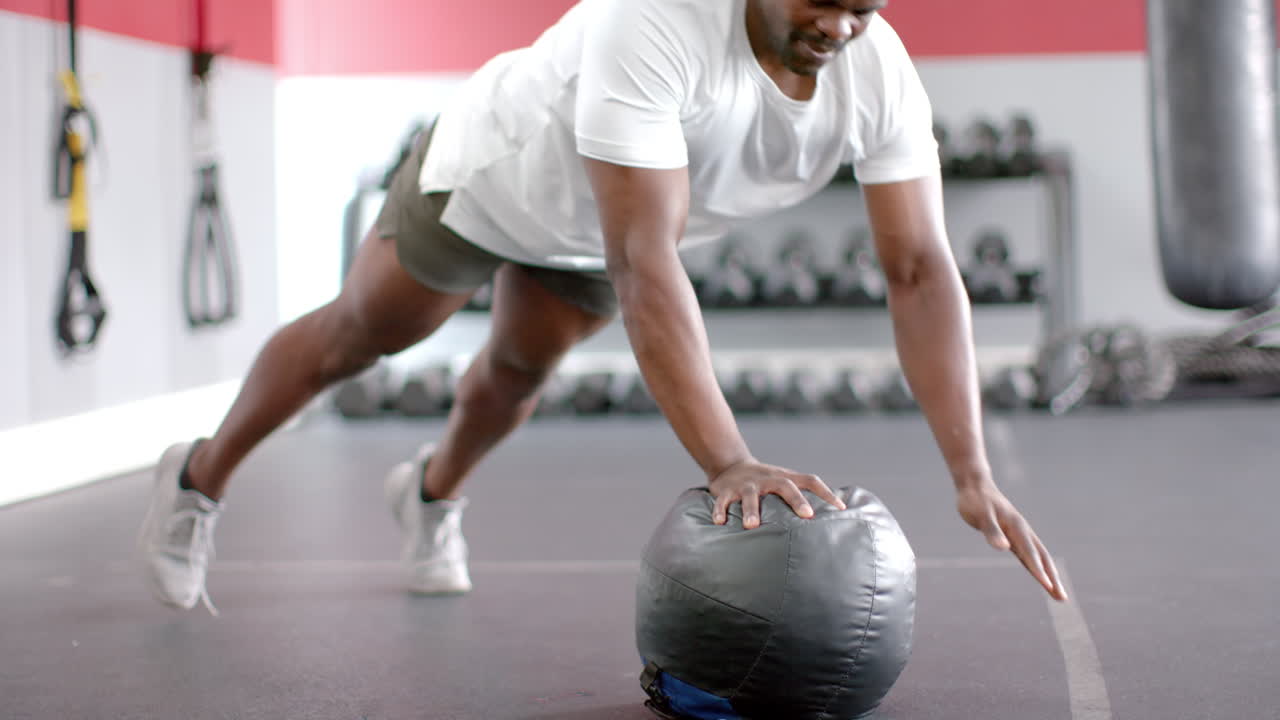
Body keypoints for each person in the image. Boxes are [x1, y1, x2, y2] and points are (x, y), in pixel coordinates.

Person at [137, 0, 1068, 615]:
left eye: (862, 7)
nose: (840, 25)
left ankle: (429, 497)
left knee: (517, 373)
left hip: (603, 225)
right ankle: (197, 479)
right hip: (503, 173)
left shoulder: (878, 72)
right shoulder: (655, 18)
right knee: (364, 336)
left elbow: (917, 268)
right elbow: (644, 258)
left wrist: (971, 470)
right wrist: (730, 460)